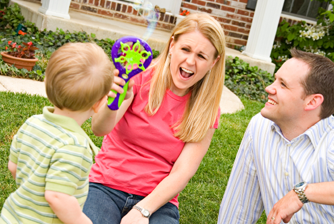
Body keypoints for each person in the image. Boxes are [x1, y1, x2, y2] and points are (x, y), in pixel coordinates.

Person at [83, 13, 226, 224]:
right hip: (106, 186)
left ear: (214, 62)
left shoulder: (207, 110)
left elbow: (182, 172)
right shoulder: (137, 77)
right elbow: (99, 128)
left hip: (158, 202)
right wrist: (114, 100)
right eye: (185, 49)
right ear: (172, 45)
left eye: (201, 56)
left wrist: (143, 210)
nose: (190, 61)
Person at [0, 43, 114, 224]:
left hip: (11, 216)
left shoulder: (33, 122)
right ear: (98, 103)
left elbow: (13, 167)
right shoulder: (74, 146)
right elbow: (58, 198)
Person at [218, 49, 334, 224]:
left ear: (312, 102)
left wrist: (302, 194)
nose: (269, 88)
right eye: (275, 80)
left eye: (283, 84)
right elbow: (240, 205)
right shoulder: (260, 126)